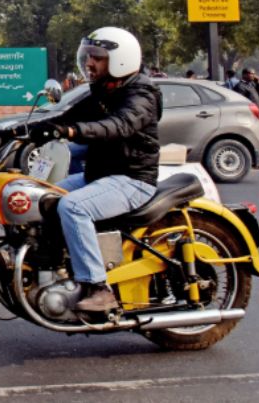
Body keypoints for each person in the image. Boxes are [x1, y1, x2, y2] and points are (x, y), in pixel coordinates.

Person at [23, 26, 159, 312]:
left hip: (132, 179)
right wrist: (23, 130)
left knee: (73, 207)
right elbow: (67, 116)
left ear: (120, 59)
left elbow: (118, 125)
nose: (89, 63)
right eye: (88, 56)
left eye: (97, 57)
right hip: (101, 175)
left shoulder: (141, 92)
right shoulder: (104, 90)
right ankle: (51, 264)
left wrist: (71, 131)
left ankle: (98, 286)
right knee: (40, 195)